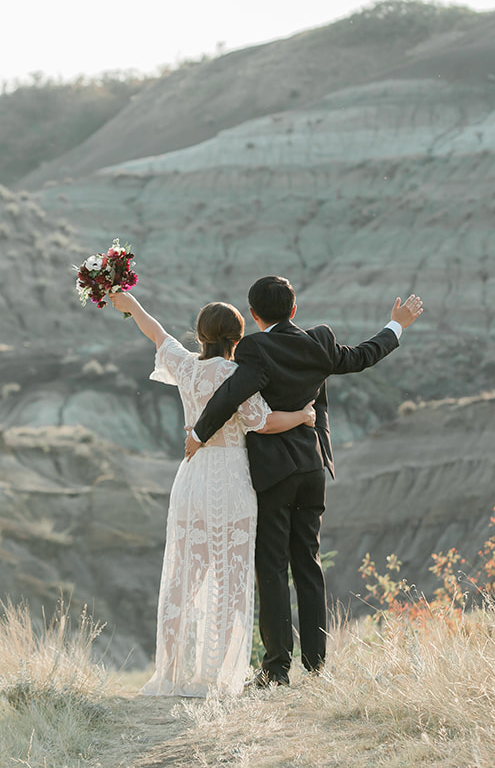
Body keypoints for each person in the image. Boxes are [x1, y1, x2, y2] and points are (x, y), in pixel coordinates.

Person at [191, 276, 423, 686]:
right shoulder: (320, 341)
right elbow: (363, 356)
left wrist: (197, 434)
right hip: (313, 468)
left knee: (273, 567)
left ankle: (277, 669)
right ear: (294, 310)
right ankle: (317, 668)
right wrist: (396, 325)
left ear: (254, 315)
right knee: (308, 564)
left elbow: (230, 394)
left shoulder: (255, 349)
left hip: (274, 475)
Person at [110, 287, 318, 698]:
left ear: (200, 336)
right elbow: (263, 422)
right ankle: (217, 677)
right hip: (233, 479)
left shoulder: (186, 368)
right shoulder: (235, 375)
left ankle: (171, 673)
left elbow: (156, 333)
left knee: (183, 579)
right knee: (229, 579)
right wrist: (303, 415)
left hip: (192, 478)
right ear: (237, 339)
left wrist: (130, 303)